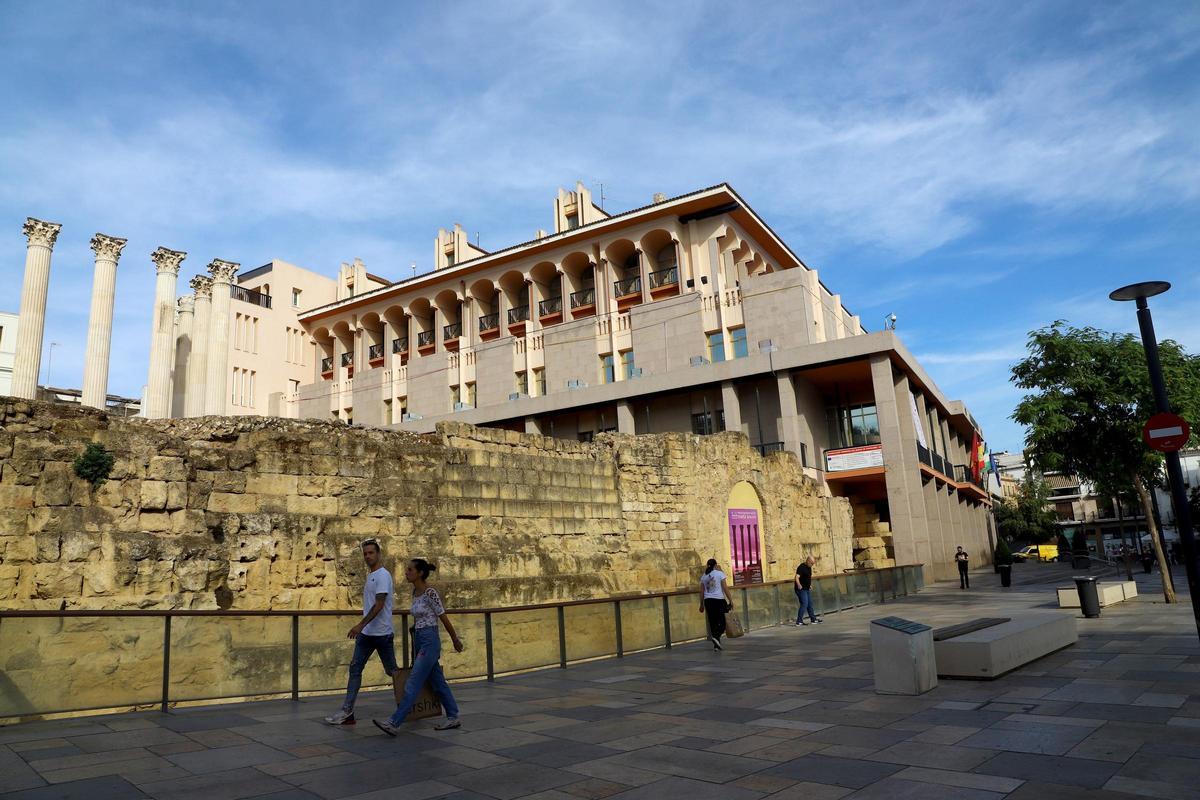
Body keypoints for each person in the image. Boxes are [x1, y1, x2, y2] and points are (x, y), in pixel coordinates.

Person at [374, 558, 464, 735]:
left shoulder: (430, 593)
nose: (406, 572)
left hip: (430, 640)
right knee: (437, 681)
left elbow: (442, 616)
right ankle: (453, 716)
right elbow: (420, 617)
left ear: (420, 573)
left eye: (410, 570)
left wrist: (455, 639)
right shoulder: (415, 592)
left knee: (413, 681)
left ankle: (394, 722)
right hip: (420, 639)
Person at [324, 538, 397, 726]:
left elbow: (379, 604)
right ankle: (347, 711)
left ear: (378, 554)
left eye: (371, 553)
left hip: (381, 634)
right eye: (365, 553)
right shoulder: (371, 575)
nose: (368, 556)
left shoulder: (383, 576)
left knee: (393, 672)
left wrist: (360, 625)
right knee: (355, 669)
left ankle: (410, 704)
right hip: (367, 635)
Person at [698, 558, 733, 651]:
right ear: (715, 565)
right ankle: (717, 636)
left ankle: (716, 645)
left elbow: (701, 592)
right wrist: (730, 600)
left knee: (712, 622)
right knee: (723, 621)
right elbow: (725, 588)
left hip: (708, 601)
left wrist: (701, 604)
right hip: (719, 600)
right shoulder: (720, 574)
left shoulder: (704, 576)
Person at [794, 555, 822, 626]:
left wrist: (809, 585)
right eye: (812, 563)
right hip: (801, 589)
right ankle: (799, 621)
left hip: (806, 588)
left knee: (810, 604)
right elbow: (797, 577)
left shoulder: (809, 568)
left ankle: (813, 619)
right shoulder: (801, 567)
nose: (812, 565)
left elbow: (807, 577)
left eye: (813, 563)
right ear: (808, 561)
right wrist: (799, 585)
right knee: (804, 604)